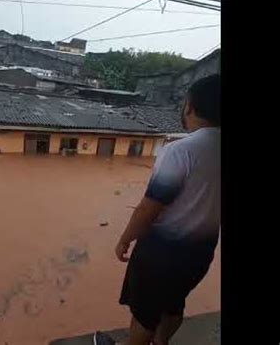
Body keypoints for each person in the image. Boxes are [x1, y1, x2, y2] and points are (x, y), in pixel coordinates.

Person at [93, 74, 221, 345]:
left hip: (162, 254)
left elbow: (149, 208)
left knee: (144, 315)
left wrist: (125, 238)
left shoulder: (182, 150)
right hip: (201, 253)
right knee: (174, 304)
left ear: (189, 106)